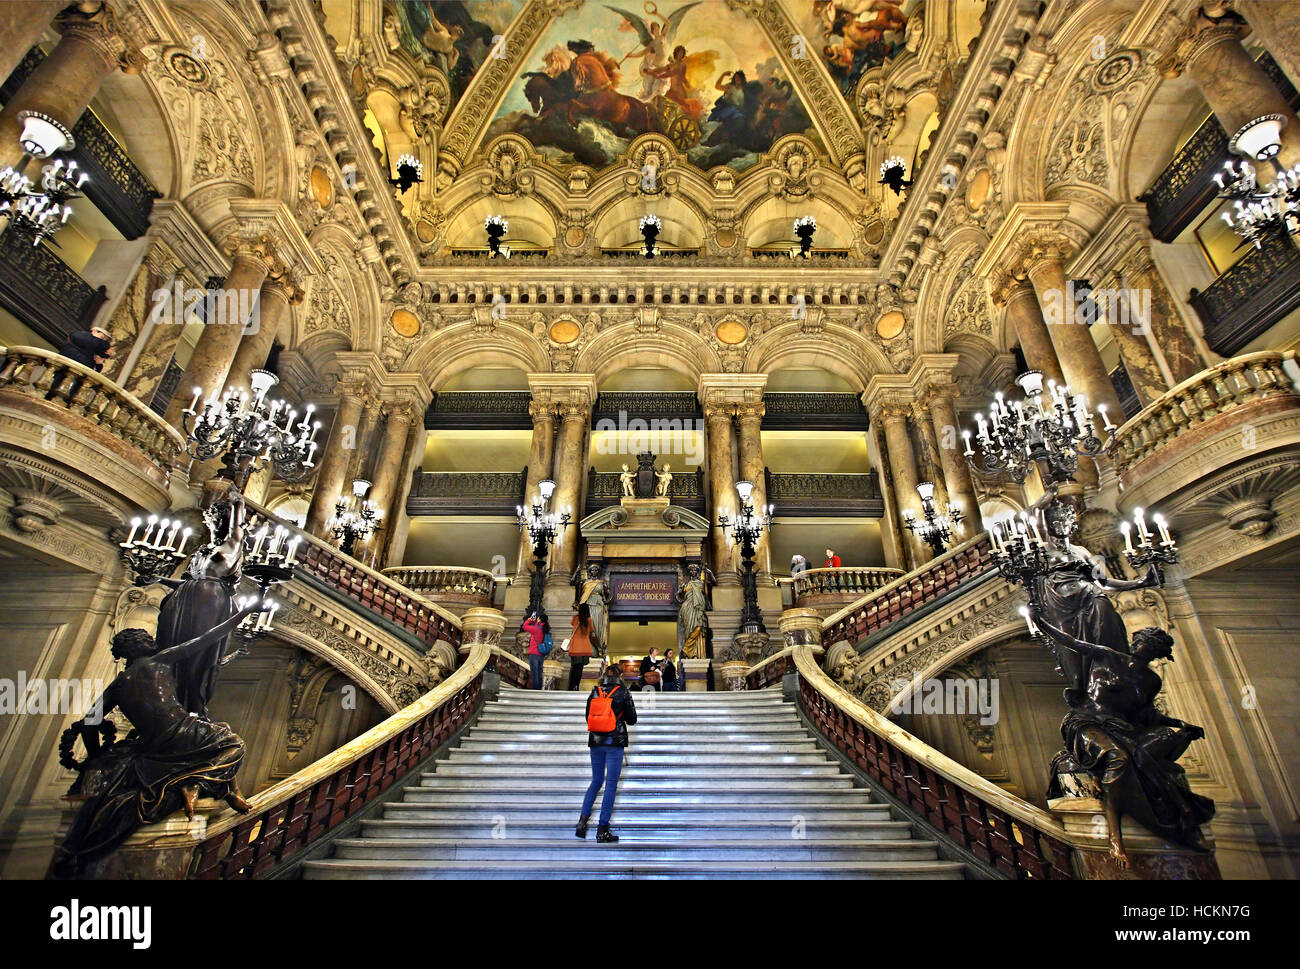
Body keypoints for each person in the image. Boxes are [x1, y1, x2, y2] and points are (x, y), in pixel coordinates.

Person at [577, 663, 637, 843]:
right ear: (619, 676)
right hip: (614, 741)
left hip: (595, 741)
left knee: (596, 781)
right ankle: (602, 829)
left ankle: (582, 822)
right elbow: (632, 719)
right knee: (610, 784)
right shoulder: (623, 692)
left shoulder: (595, 691)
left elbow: (588, 714)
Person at [49, 326, 114, 401]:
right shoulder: (80, 335)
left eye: (105, 340)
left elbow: (93, 374)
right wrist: (107, 346)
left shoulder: (92, 348)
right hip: (65, 371)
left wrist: (98, 363)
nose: (102, 341)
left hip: (78, 380)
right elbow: (93, 342)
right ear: (94, 331)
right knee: (55, 393)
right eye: (102, 338)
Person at [568, 602, 595, 690]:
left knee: (574, 667)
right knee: (580, 669)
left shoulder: (575, 618)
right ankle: (577, 686)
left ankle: (571, 686)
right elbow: (591, 630)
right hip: (584, 648)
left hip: (575, 647)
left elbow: (572, 624)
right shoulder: (589, 620)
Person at [522, 612, 549, 690]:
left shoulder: (536, 628)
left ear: (540, 620)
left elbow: (524, 627)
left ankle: (535, 689)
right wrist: (534, 622)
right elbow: (536, 627)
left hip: (534, 653)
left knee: (534, 672)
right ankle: (539, 688)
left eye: (538, 618)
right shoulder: (545, 628)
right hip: (541, 653)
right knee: (539, 672)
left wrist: (529, 620)